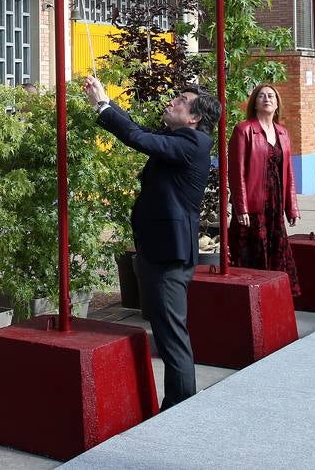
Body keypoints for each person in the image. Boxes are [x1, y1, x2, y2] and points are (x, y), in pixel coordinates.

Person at [82, 75, 221, 411]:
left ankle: (180, 405)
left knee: (171, 335)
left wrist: (103, 105)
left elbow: (136, 137)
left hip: (169, 255)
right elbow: (134, 127)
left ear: (194, 117)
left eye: (180, 101)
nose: (172, 101)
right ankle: (178, 402)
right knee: (166, 330)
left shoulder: (193, 144)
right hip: (159, 249)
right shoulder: (178, 136)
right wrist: (106, 103)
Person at [228, 84, 301, 297]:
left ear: (277, 103)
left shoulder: (283, 132)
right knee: (251, 251)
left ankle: (274, 296)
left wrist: (292, 207)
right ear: (254, 103)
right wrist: (241, 208)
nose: (266, 99)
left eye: (271, 96)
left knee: (277, 249)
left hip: (275, 204)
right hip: (253, 205)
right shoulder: (244, 130)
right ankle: (250, 297)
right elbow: (236, 171)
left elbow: (288, 173)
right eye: (261, 96)